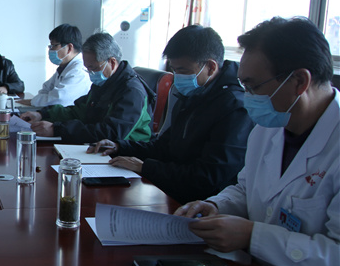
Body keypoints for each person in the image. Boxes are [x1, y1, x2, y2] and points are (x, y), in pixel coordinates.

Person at [176, 17, 339, 266]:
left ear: (299, 81)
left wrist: (251, 236)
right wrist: (216, 205)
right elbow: (246, 189)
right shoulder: (270, 127)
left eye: (252, 86)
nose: (247, 96)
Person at [88, 25, 254, 204]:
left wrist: (145, 168)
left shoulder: (235, 108)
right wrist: (120, 147)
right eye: (174, 70)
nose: (176, 77)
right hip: (170, 189)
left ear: (211, 67)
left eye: (183, 71)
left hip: (201, 204)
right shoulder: (193, 93)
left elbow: (207, 177)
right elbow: (165, 147)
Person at [20, 33, 153, 143]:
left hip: (126, 154)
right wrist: (42, 114)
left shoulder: (132, 91)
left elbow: (111, 133)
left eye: (93, 68)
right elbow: (80, 111)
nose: (90, 73)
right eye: (87, 68)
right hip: (98, 147)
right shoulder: (103, 83)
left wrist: (58, 129)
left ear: (112, 62)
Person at [28, 23, 90, 107]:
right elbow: (45, 89)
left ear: (69, 48)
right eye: (50, 46)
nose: (50, 50)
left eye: (54, 46)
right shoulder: (64, 67)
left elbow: (58, 100)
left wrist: (36, 100)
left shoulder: (79, 71)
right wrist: (40, 99)